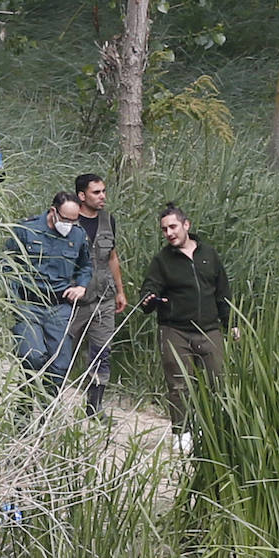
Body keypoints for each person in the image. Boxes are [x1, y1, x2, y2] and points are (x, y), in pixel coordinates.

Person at [138, 203, 237, 453]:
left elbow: (223, 293)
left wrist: (231, 324)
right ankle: (182, 434)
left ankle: (215, 429)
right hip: (175, 329)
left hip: (209, 328)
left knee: (217, 380)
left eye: (173, 227)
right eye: (164, 229)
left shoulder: (209, 255)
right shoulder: (162, 261)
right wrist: (149, 298)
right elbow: (149, 289)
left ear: (186, 225)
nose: (169, 233)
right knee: (179, 384)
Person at [6, 192, 92, 395]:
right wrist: (12, 301)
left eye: (74, 220)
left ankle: (46, 416)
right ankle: (24, 413)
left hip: (59, 307)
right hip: (28, 304)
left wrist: (81, 286)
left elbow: (85, 266)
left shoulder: (78, 235)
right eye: (65, 219)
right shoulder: (27, 229)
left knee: (59, 366)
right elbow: (7, 265)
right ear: (53, 211)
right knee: (32, 357)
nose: (69, 225)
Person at [67, 173, 128, 418]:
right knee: (61, 350)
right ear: (82, 196)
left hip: (103, 296)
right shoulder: (69, 219)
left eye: (103, 191)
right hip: (73, 298)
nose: (102, 196)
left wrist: (120, 291)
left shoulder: (108, 220)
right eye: (96, 192)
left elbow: (112, 256)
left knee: (102, 351)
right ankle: (48, 399)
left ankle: (95, 406)